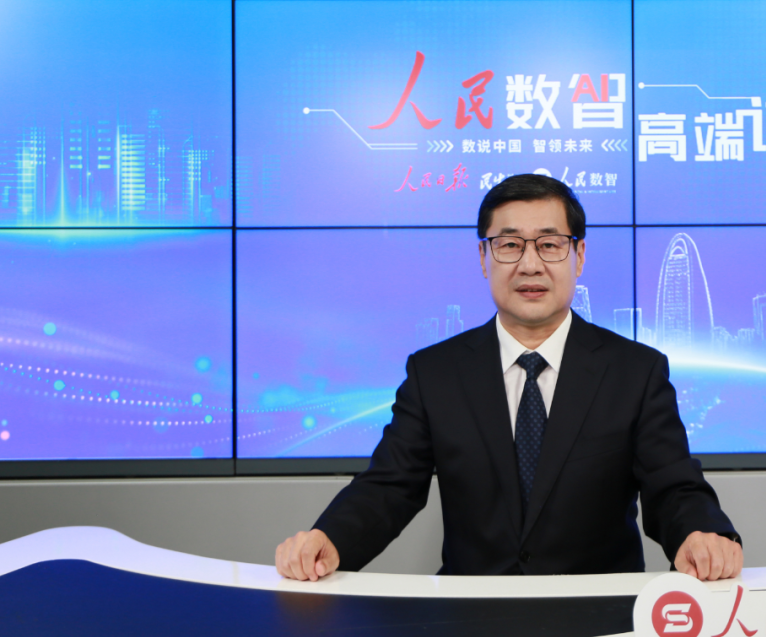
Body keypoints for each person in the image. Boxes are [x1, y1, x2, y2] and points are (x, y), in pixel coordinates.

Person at [276, 174, 742, 580]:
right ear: (484, 257)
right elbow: (389, 486)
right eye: (510, 244)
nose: (530, 264)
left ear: (579, 255)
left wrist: (701, 534)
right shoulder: (435, 373)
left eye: (550, 244)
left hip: (599, 616)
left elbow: (673, 485)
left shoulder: (635, 371)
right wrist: (329, 538)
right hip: (470, 619)